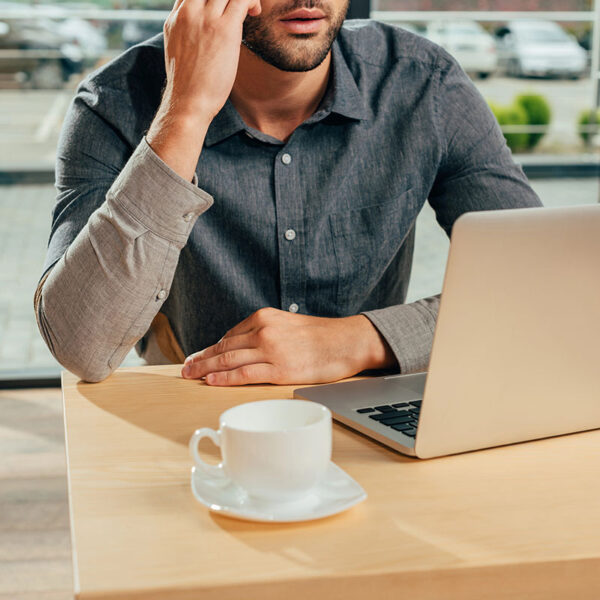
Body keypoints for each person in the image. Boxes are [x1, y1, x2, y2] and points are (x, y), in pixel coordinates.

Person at [34, 0, 542, 385]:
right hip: (193, 413)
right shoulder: (114, 103)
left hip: (371, 410)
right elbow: (81, 344)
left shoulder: (422, 83)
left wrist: (358, 342)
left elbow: (540, 289)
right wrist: (185, 112)